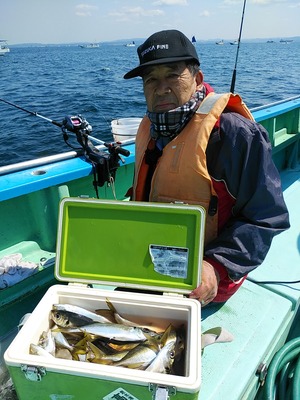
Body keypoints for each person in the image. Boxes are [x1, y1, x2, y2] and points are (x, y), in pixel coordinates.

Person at [123, 30, 290, 306]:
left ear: (197, 78)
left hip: (210, 276)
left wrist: (216, 266)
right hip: (152, 263)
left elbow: (266, 217)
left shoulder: (234, 134)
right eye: (151, 79)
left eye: (173, 75)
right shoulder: (150, 128)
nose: (160, 87)